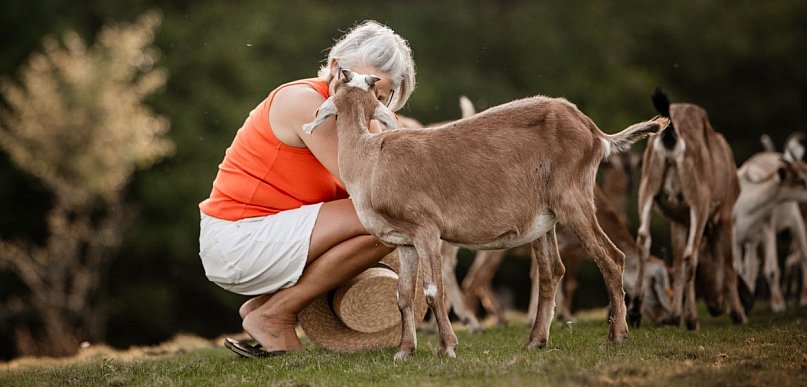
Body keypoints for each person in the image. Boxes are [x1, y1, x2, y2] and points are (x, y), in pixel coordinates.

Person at [198, 20, 416, 357]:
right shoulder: (303, 102)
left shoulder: (360, 116)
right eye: (356, 85)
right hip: (237, 239)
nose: (365, 101)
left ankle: (267, 306)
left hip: (269, 234)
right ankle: (274, 314)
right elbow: (375, 188)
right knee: (389, 217)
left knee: (393, 216)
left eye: (379, 96)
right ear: (334, 68)